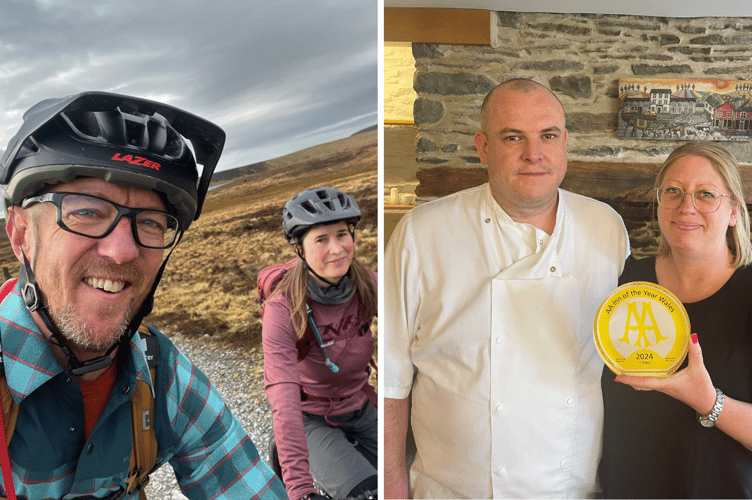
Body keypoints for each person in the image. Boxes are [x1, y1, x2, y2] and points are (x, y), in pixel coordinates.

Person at [0, 91, 287, 499]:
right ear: (22, 234)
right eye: (86, 211)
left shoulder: (159, 374)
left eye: (150, 223)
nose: (122, 251)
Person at [383, 78, 631, 499]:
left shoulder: (605, 226)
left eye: (548, 136)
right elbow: (392, 381)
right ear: (483, 148)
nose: (534, 154)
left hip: (572, 490)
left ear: (564, 142)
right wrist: (392, 486)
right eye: (513, 137)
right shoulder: (421, 234)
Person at [599, 141, 752, 498]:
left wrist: (709, 401)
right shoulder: (624, 284)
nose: (687, 207)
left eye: (706, 194)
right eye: (673, 191)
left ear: (732, 210)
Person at [262, 187, 378, 500]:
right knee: (368, 492)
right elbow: (283, 396)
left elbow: (414, 328)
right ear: (299, 249)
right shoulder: (283, 307)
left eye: (342, 234)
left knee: (410, 473)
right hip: (309, 415)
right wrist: (300, 492)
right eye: (321, 239)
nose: (337, 248)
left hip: (360, 402)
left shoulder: (368, 283)